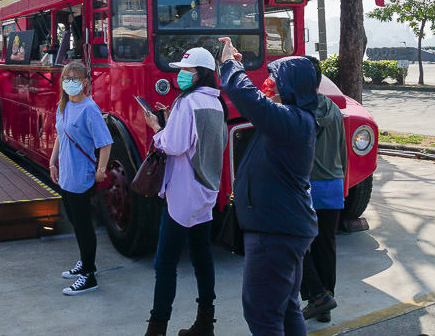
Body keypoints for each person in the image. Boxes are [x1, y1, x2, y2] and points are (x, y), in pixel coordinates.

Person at [218, 37, 317, 335]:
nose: (267, 85)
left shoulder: (292, 121)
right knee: (285, 307)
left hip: (275, 232)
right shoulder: (292, 120)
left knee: (262, 313)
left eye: (273, 79)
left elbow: (245, 95)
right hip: (281, 228)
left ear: (290, 86)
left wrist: (229, 64)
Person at [143, 48, 227, 336]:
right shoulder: (217, 104)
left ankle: (157, 329)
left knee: (165, 263)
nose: (181, 75)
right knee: (202, 258)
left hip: (181, 195)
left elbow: (175, 145)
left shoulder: (187, 102)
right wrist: (171, 123)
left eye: (187, 70)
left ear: (201, 74)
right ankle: (206, 323)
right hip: (206, 193)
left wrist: (156, 128)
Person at [49, 60, 112, 296]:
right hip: (65, 173)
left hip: (81, 175)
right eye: (67, 78)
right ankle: (85, 262)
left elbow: (105, 143)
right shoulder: (63, 106)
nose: (70, 82)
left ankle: (89, 274)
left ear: (85, 82)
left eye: (75, 78)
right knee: (76, 222)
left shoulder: (89, 109)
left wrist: (101, 170)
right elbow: (59, 135)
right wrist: (52, 161)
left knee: (84, 225)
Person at [299, 57, 347, 324]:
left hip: (308, 185)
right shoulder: (334, 109)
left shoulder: (299, 112)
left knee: (301, 245)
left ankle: (315, 297)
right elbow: (342, 152)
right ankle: (325, 303)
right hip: (333, 185)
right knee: (327, 246)